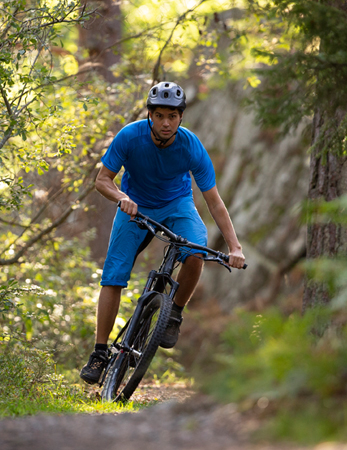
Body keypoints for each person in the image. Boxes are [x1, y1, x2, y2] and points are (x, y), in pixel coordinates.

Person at [79, 81, 246, 385]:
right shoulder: (130, 136)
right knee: (114, 275)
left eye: (172, 116)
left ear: (181, 117)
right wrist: (122, 199)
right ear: (149, 116)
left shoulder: (191, 145)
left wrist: (235, 247)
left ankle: (174, 314)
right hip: (134, 206)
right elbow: (102, 180)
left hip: (177, 205)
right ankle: (100, 352)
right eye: (159, 116)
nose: (166, 123)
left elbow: (214, 202)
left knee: (196, 252)